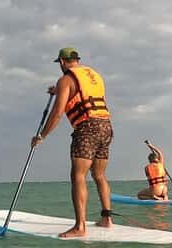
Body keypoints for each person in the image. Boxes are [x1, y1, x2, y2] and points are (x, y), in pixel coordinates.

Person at [30, 47, 114, 237]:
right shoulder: (93, 74)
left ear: (61, 62)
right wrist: (58, 90)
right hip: (106, 126)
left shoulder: (66, 79)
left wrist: (41, 136)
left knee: (78, 176)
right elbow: (79, 93)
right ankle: (107, 218)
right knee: (99, 175)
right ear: (77, 60)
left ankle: (80, 227)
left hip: (87, 129)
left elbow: (58, 113)